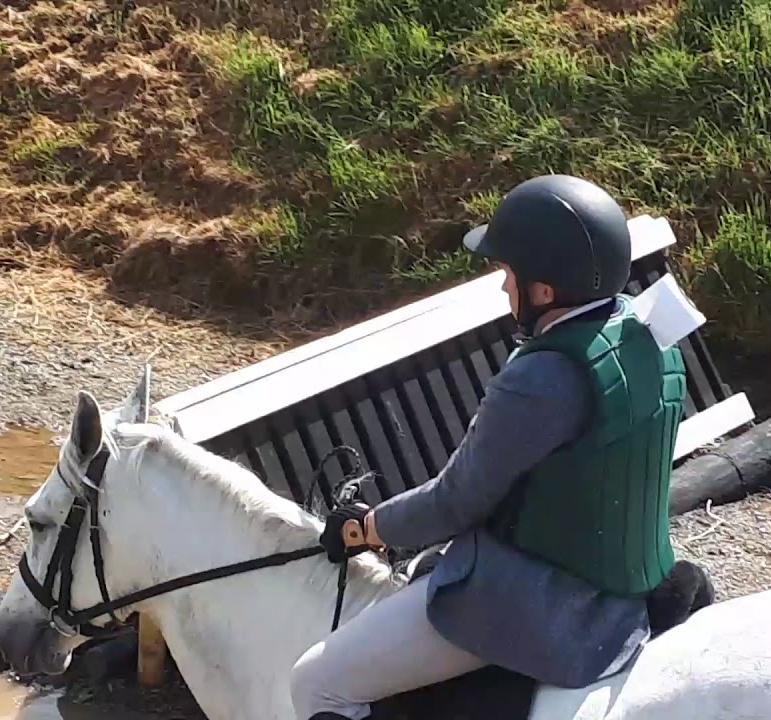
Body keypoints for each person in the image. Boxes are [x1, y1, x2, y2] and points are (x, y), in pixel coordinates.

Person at [291, 174, 705, 720]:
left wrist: (365, 528)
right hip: (636, 580)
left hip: (555, 606)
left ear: (544, 291)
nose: (503, 289)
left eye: (510, 275)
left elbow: (453, 502)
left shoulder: (543, 376)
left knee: (317, 682)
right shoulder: (650, 337)